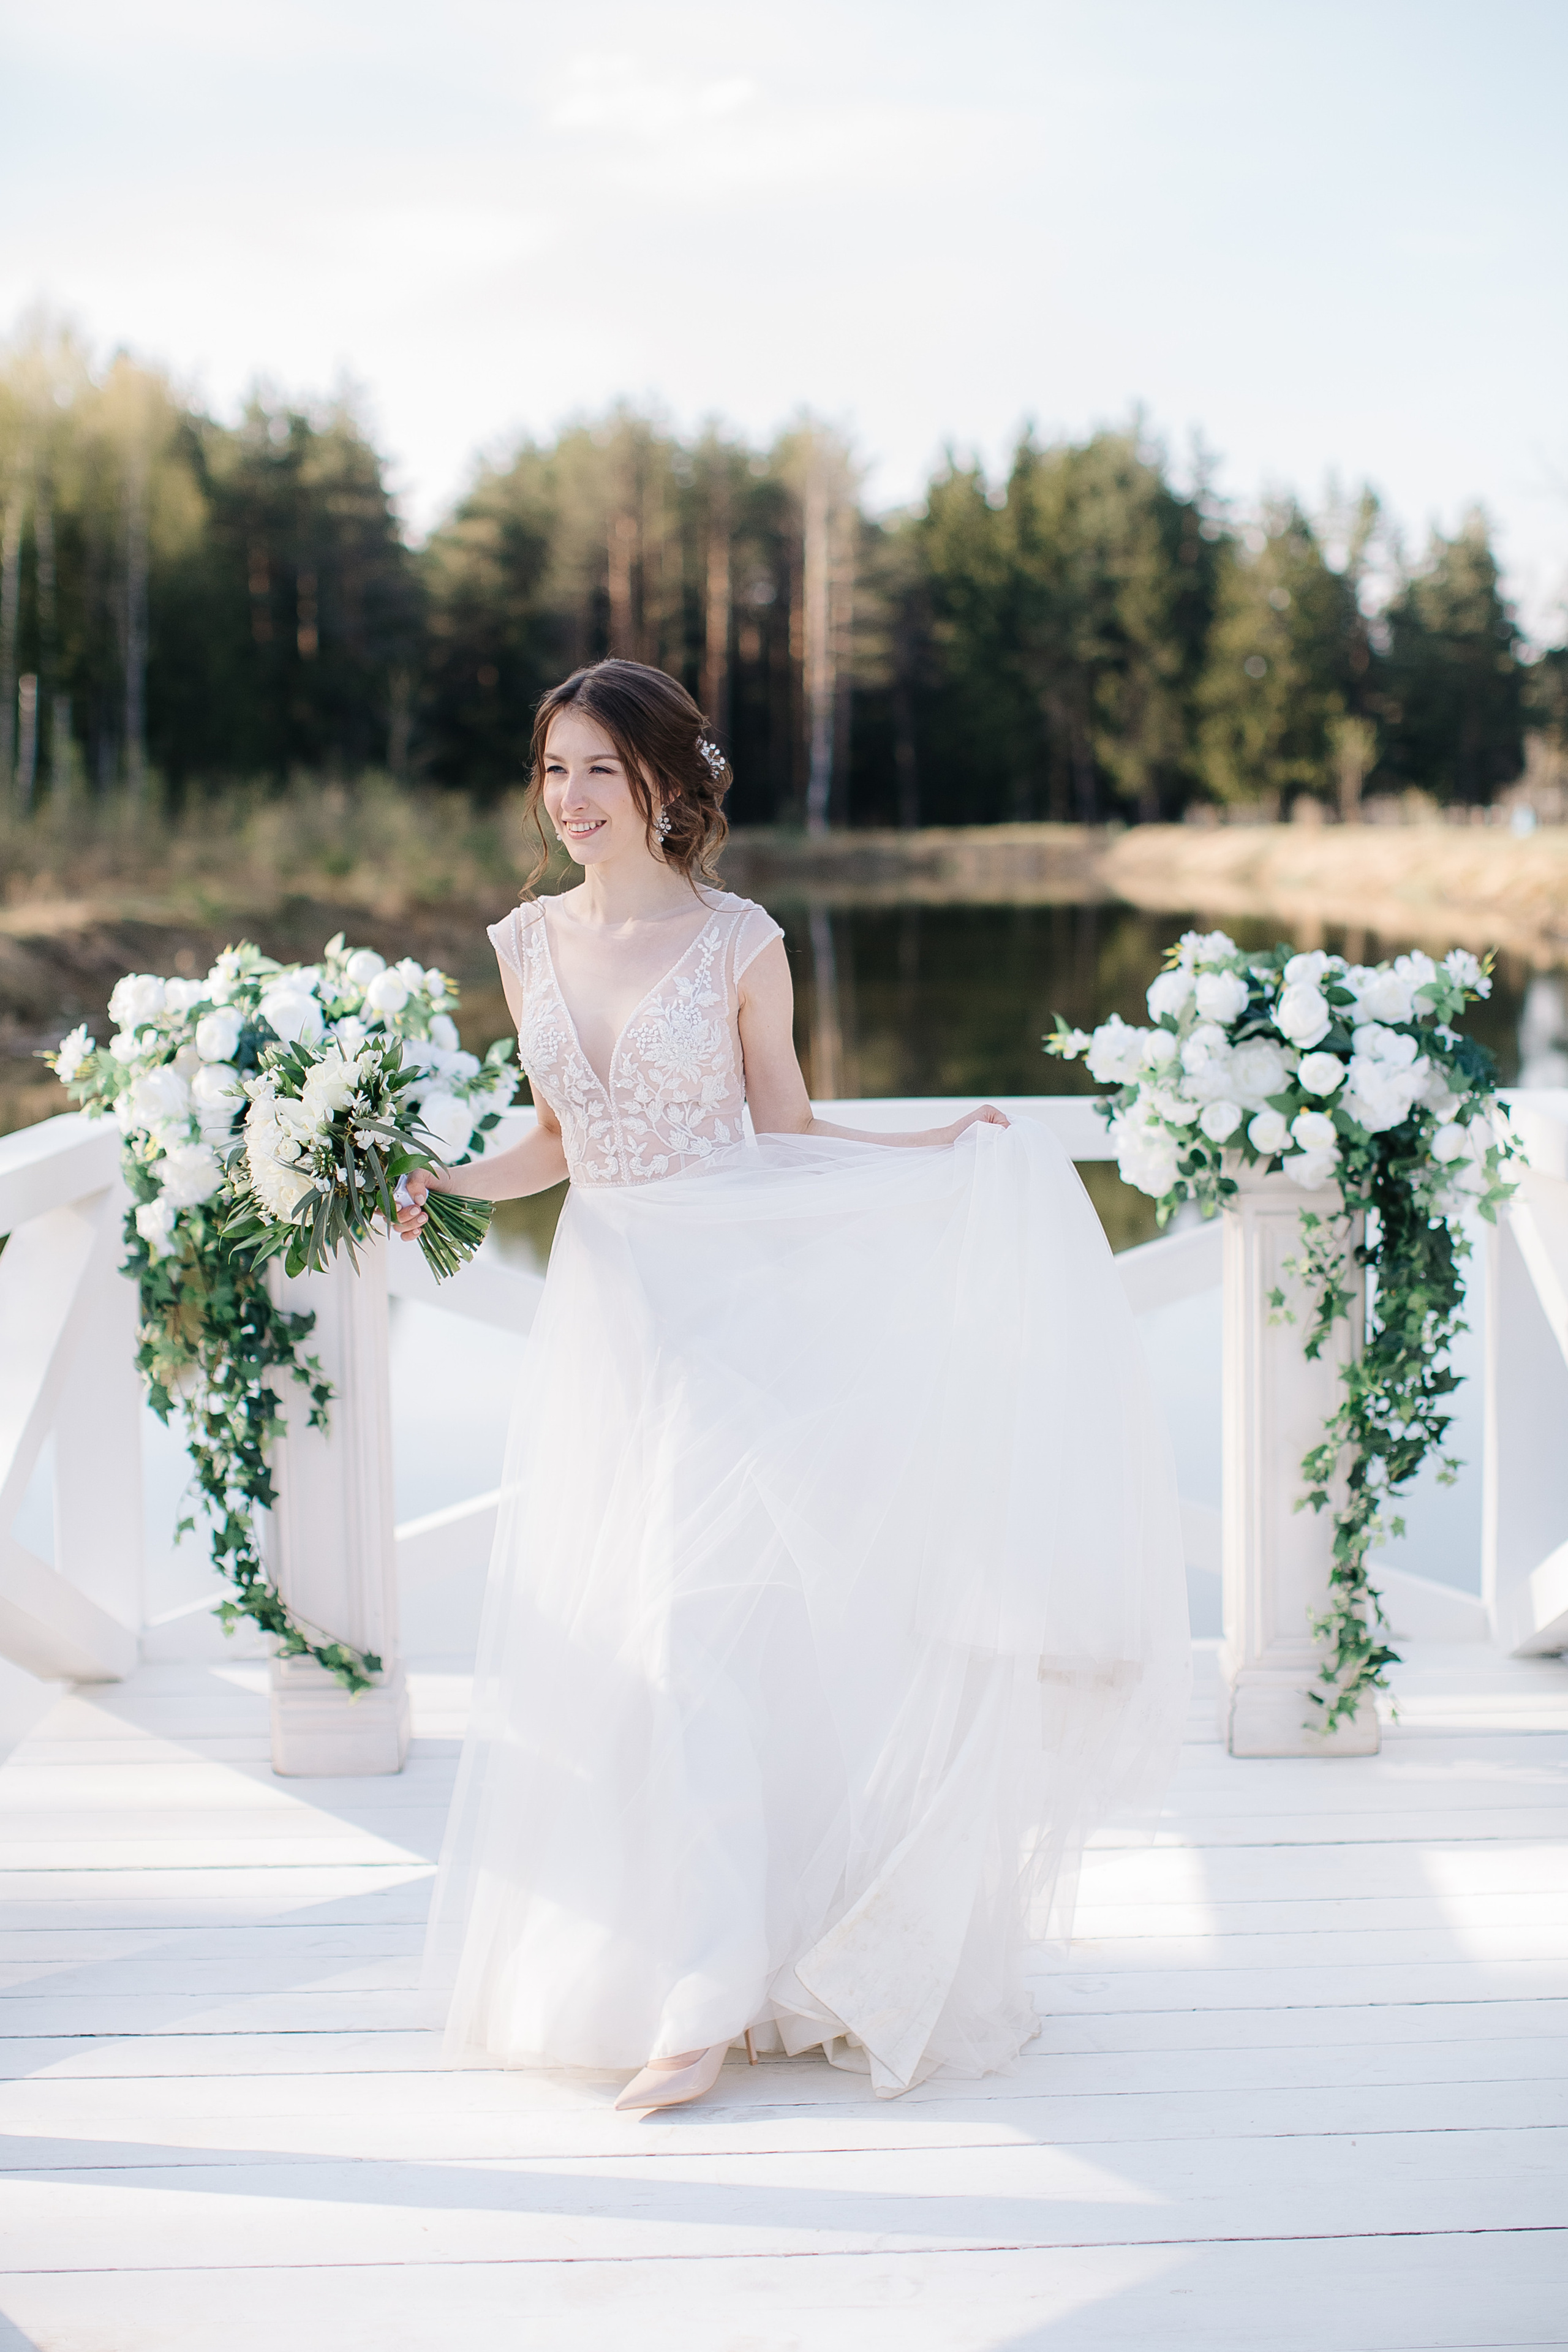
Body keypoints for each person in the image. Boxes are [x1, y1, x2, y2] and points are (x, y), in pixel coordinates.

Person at [405, 658, 1189, 2113]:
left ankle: (707, 1992)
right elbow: (556, 1141)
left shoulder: (739, 942)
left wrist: (938, 1158)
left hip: (738, 1307)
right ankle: (687, 1954)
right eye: (554, 768)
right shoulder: (524, 942)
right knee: (632, 1637)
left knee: (694, 1630)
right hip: (609, 1316)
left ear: (664, 781)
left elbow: (783, 1128)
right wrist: (442, 1178)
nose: (570, 797)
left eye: (598, 768)